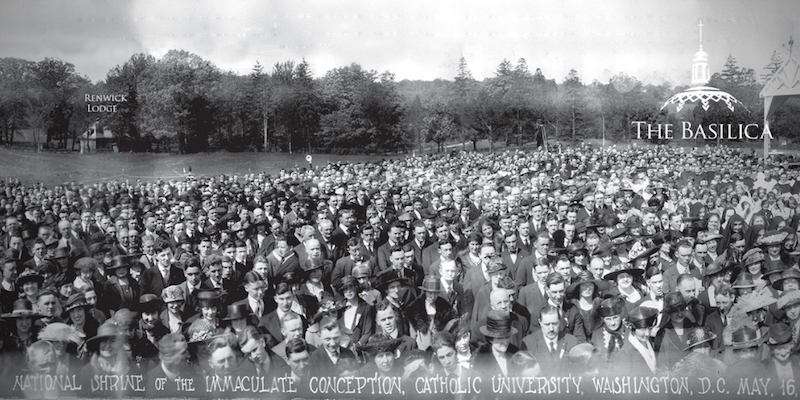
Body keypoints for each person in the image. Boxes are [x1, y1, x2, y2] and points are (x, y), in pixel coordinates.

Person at [521, 305, 577, 376]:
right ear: (540, 322)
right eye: (547, 324)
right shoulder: (528, 343)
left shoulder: (571, 341)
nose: (551, 329)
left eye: (554, 324)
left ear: (560, 321)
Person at [614, 306, 658, 376]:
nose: (647, 333)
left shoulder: (649, 341)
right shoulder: (625, 353)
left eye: (649, 328)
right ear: (632, 329)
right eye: (643, 330)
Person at [473, 310, 519, 377]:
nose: (505, 342)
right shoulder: (480, 358)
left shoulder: (515, 353)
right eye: (500, 338)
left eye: (507, 337)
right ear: (490, 339)